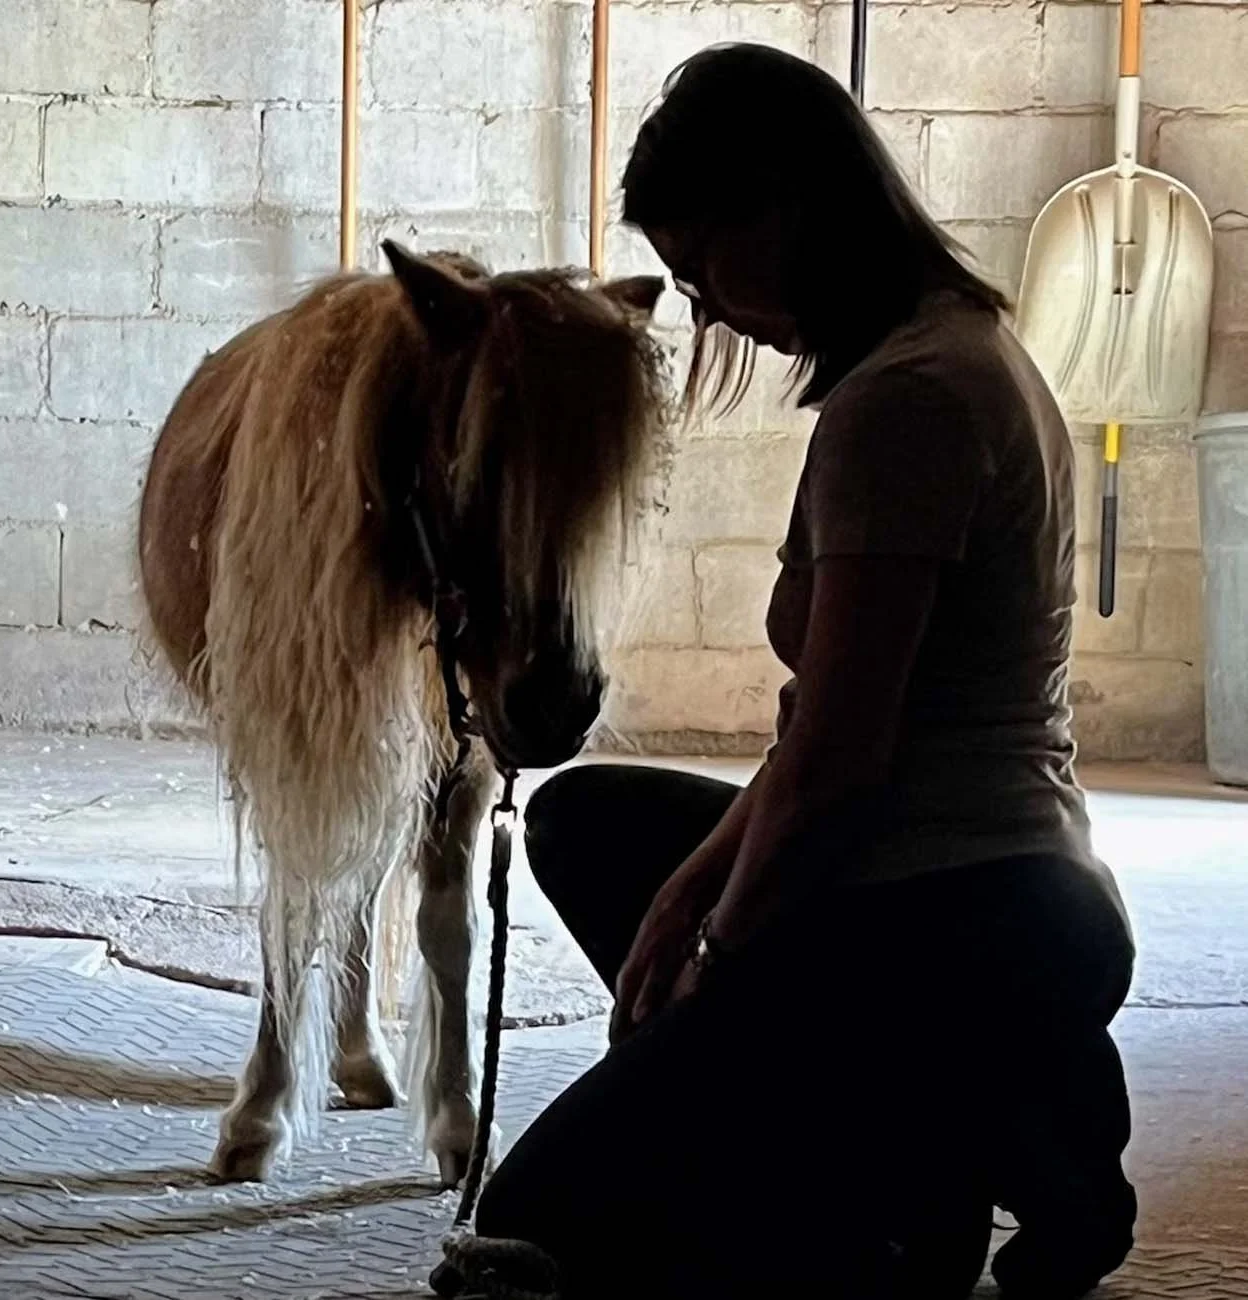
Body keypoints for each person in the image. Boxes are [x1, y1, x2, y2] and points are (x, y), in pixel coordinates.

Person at [450, 43, 1137, 1300]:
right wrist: (686, 896)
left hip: (958, 904)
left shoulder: (911, 403)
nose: (710, 312)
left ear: (785, 206)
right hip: (956, 880)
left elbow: (837, 763)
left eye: (706, 269)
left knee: (535, 1219)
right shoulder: (946, 351)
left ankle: (949, 1140)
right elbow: (819, 724)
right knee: (588, 820)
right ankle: (909, 1132)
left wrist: (720, 954)